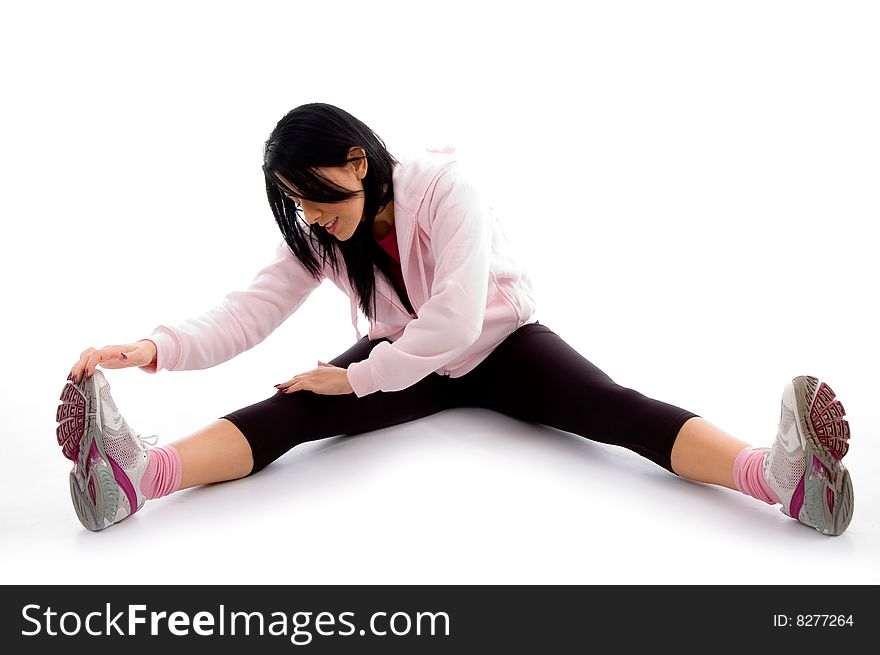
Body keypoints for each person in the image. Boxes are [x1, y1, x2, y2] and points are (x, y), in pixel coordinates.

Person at [55, 103, 854, 536]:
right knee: (289, 410)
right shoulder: (322, 235)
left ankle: (782, 480)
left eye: (317, 194)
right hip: (403, 356)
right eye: (295, 203)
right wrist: (152, 347)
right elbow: (245, 312)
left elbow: (460, 314)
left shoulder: (446, 187)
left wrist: (361, 374)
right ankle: (134, 479)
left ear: (358, 163)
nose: (312, 216)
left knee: (618, 411)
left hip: (501, 345)